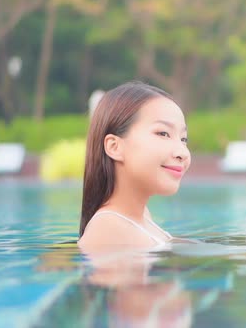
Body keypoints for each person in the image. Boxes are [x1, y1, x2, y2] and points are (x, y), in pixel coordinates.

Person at [78, 81, 191, 252]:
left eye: (183, 139)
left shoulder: (139, 217)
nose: (182, 152)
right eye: (163, 133)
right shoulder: (109, 230)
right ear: (114, 147)